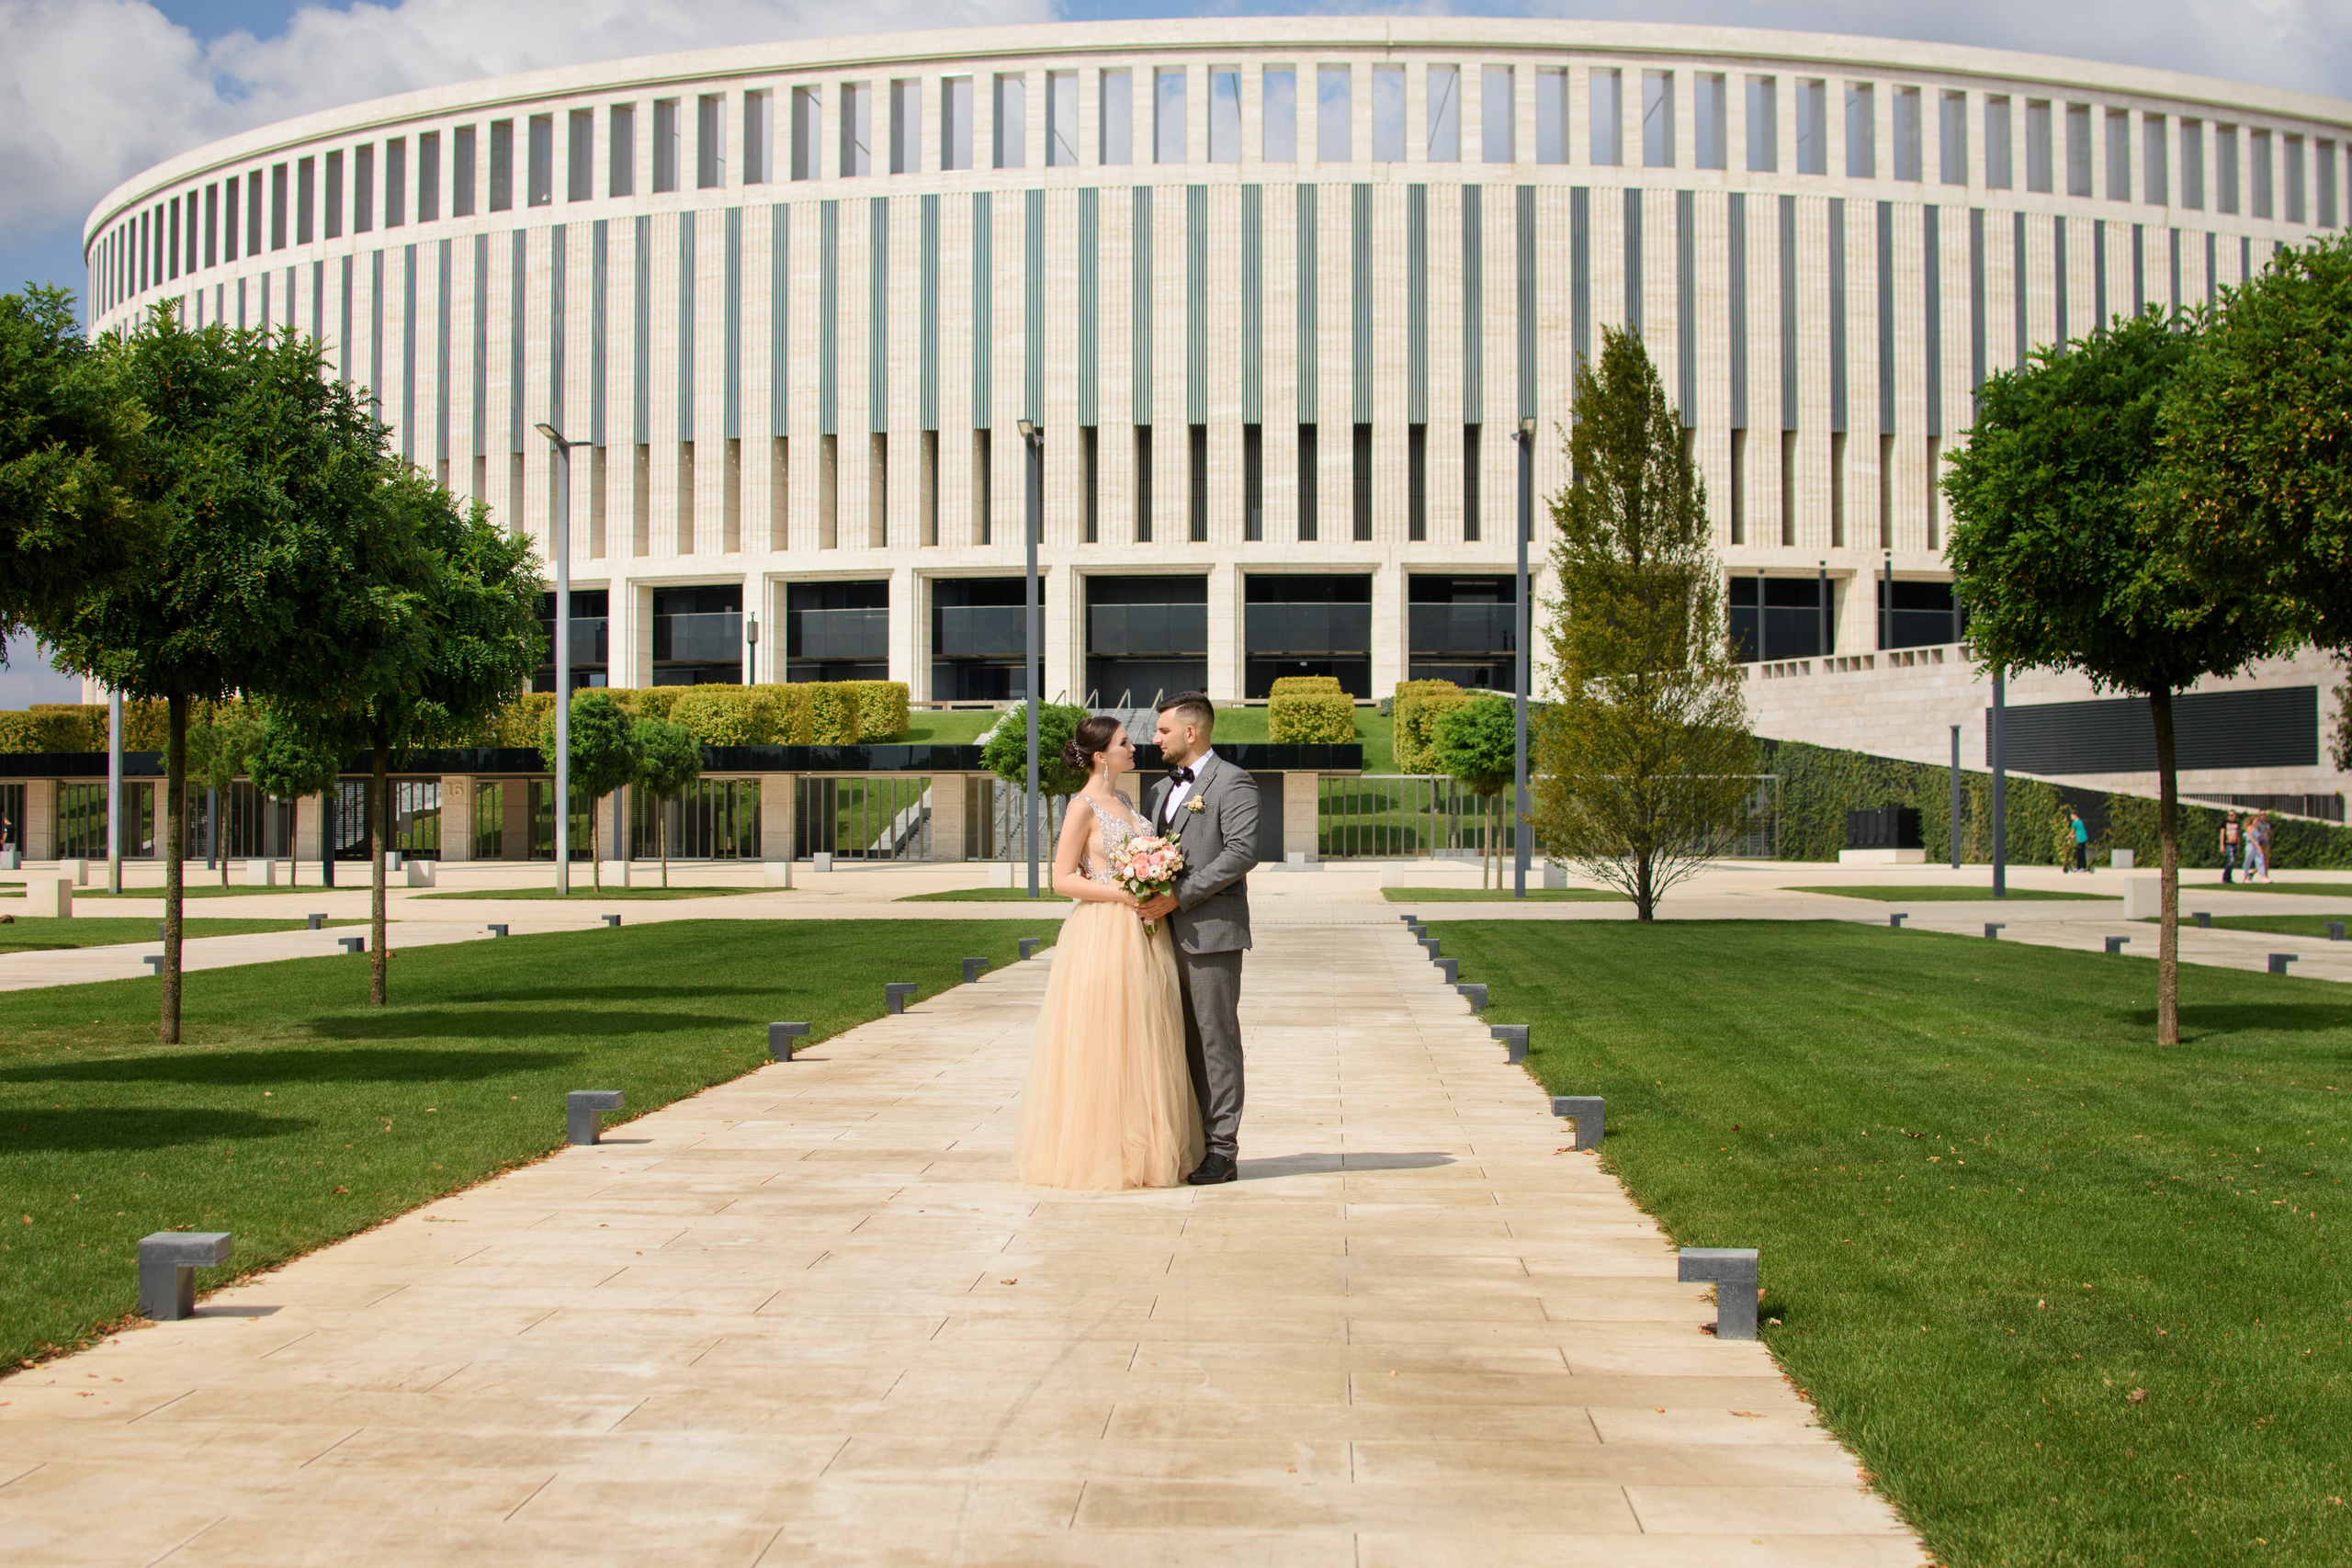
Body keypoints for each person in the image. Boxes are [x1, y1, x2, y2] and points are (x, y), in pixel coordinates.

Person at [1012, 715, 1203, 1190]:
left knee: (1143, 1037)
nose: (1134, 747)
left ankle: (1144, 1148)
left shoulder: (1125, 800)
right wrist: (1124, 892)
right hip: (1102, 933)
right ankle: (1099, 1153)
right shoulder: (1083, 806)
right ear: (1100, 755)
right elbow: (1061, 879)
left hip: (1144, 931)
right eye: (1123, 742)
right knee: (1106, 1039)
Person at [1138, 692, 1260, 1186]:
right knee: (1175, 1041)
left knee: (1215, 1041)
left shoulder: (1234, 783)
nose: (1155, 738)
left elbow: (1242, 852)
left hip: (1210, 933)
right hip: (1159, 935)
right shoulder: (1155, 791)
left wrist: (1180, 896)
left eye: (1163, 730)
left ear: (1192, 732)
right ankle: (1189, 1138)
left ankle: (1222, 1149)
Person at [2068, 807, 2089, 873]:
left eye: (2072, 816)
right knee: (2080, 852)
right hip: (2083, 838)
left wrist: (2069, 836)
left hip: (2081, 839)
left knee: (2080, 853)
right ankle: (2080, 867)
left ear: (2075, 815)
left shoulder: (2075, 823)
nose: (2071, 817)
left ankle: (2081, 867)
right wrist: (2075, 835)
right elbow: (2080, 831)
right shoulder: (2080, 821)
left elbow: (2072, 831)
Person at [2222, 811, 2239, 884]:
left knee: (2232, 861)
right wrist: (2222, 845)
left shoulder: (2236, 824)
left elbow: (2237, 834)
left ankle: (2229, 877)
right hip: (2228, 844)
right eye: (2229, 815)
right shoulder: (2225, 823)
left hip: (2234, 844)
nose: (2230, 816)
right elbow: (2222, 834)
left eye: (2232, 815)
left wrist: (2238, 844)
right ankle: (2225, 876)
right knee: (2231, 860)